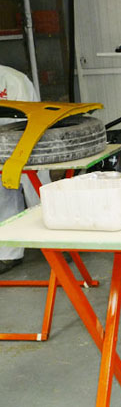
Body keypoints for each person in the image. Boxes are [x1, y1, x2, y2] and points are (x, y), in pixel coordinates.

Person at [0, 64, 41, 273]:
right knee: (3, 197)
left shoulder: (13, 80)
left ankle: (61, 243)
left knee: (37, 192)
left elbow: (26, 119)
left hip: (26, 143)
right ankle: (8, 254)